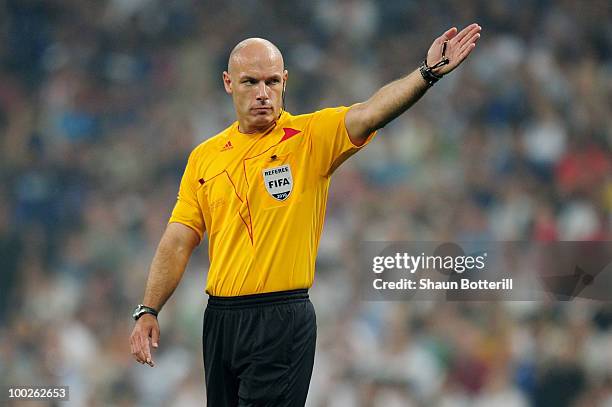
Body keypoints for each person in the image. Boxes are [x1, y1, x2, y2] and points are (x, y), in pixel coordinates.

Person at [130, 23, 482, 406]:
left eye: (271, 82)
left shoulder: (310, 137)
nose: (263, 93)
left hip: (281, 317)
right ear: (228, 83)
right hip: (221, 319)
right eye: (250, 82)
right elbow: (179, 238)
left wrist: (426, 74)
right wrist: (149, 308)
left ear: (285, 81)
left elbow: (370, 113)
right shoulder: (206, 156)